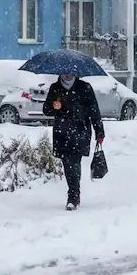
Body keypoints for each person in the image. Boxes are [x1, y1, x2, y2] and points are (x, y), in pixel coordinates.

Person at [43, 70, 104, 210]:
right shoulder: (55, 88)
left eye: (70, 72)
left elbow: (94, 110)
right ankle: (74, 192)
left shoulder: (85, 87)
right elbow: (46, 110)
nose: (67, 75)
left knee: (74, 162)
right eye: (65, 72)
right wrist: (54, 107)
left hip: (80, 130)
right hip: (62, 132)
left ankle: (73, 196)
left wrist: (99, 130)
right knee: (67, 163)